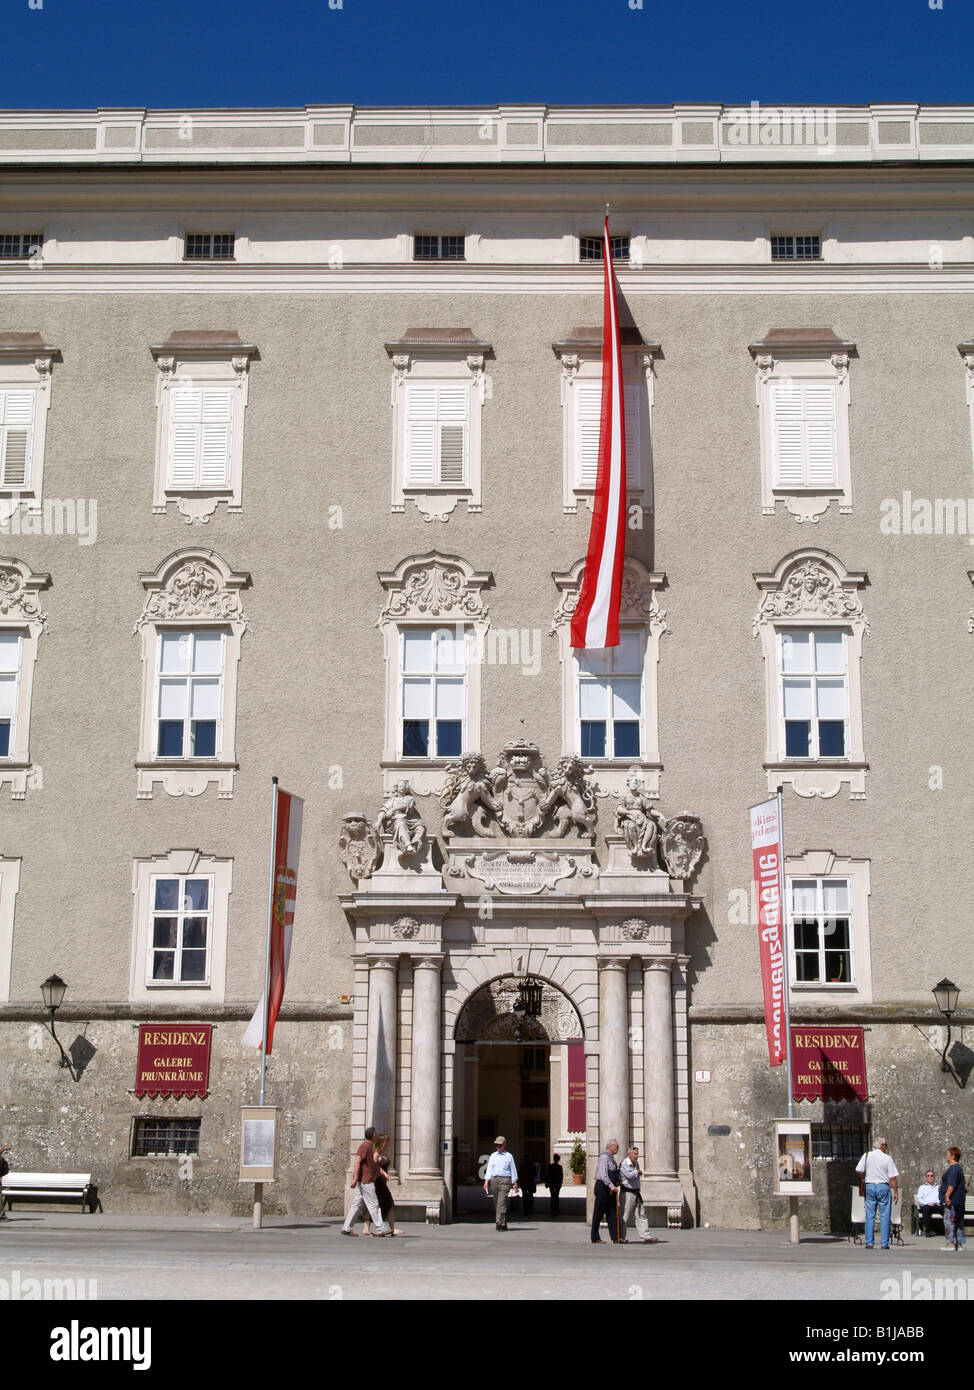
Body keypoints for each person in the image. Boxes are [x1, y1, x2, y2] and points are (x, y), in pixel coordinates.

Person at [341, 1126, 391, 1237]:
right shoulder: (365, 1147)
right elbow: (357, 1162)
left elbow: (373, 1165)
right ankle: (380, 1228)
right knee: (374, 1205)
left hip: (365, 1180)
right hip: (366, 1181)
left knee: (357, 1205)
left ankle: (346, 1228)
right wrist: (355, 1178)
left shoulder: (369, 1147)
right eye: (376, 1135)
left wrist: (384, 1174)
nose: (377, 1136)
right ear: (373, 1136)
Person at [855, 1136, 899, 1250]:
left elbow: (858, 1170)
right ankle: (884, 1243)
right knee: (885, 1215)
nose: (886, 1147)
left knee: (870, 1215)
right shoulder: (887, 1158)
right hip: (883, 1186)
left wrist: (864, 1176)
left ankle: (869, 1242)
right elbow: (892, 1176)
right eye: (885, 1145)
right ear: (882, 1145)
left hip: (870, 1185)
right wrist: (895, 1191)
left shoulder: (867, 1155)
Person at [619, 1145, 659, 1244]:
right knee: (625, 1215)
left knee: (641, 1214)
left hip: (636, 1192)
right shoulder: (624, 1163)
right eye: (635, 1154)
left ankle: (646, 1236)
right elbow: (629, 1175)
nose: (637, 1156)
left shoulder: (636, 1163)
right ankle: (620, 1236)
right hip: (627, 1193)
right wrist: (638, 1172)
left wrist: (637, 1172)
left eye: (637, 1154)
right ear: (629, 1154)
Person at [483, 1136, 519, 1230]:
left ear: (504, 1144)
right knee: (496, 1202)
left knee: (502, 1202)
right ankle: (502, 1221)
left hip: (505, 1180)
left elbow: (513, 1169)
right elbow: (489, 1169)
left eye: (500, 1145)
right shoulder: (493, 1156)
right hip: (494, 1180)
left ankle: (500, 1222)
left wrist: (514, 1183)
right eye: (496, 1145)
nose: (498, 1147)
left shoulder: (509, 1156)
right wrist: (486, 1181)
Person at [591, 1139, 622, 1244]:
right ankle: (594, 1236)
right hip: (603, 1188)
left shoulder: (611, 1158)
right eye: (616, 1147)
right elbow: (603, 1174)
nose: (617, 1149)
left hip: (610, 1188)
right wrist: (611, 1186)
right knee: (599, 1212)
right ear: (610, 1147)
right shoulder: (604, 1157)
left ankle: (616, 1237)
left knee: (612, 1212)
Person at [940, 1146, 966, 1251]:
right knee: (958, 1221)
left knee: (949, 1220)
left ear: (953, 1155)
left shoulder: (954, 1169)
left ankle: (950, 1243)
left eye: (948, 1153)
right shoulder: (958, 1168)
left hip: (953, 1200)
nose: (946, 1155)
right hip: (959, 1199)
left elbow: (952, 1184)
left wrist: (947, 1196)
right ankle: (959, 1243)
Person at [915, 1169, 942, 1237]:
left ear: (934, 1177)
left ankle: (951, 1231)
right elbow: (919, 1198)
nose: (930, 1177)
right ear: (926, 1178)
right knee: (926, 1209)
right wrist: (927, 1203)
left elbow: (942, 1196)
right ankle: (927, 1231)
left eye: (932, 1176)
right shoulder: (922, 1187)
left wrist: (941, 1202)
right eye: (928, 1176)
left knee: (947, 1209)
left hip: (937, 1205)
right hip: (928, 1205)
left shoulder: (938, 1187)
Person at [545, 1154, 563, 1218]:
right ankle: (556, 1210)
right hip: (557, 1183)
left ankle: (553, 1210)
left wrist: (547, 1182)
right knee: (556, 1196)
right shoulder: (560, 1167)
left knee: (552, 1196)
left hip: (552, 1183)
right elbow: (561, 1176)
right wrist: (560, 1183)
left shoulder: (550, 1166)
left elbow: (548, 1175)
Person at [519, 1153, 537, 1217]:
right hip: (530, 1182)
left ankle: (525, 1210)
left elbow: (520, 1175)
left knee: (524, 1196)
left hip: (524, 1183)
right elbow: (535, 1174)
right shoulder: (532, 1165)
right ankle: (531, 1210)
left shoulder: (522, 1166)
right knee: (530, 1196)